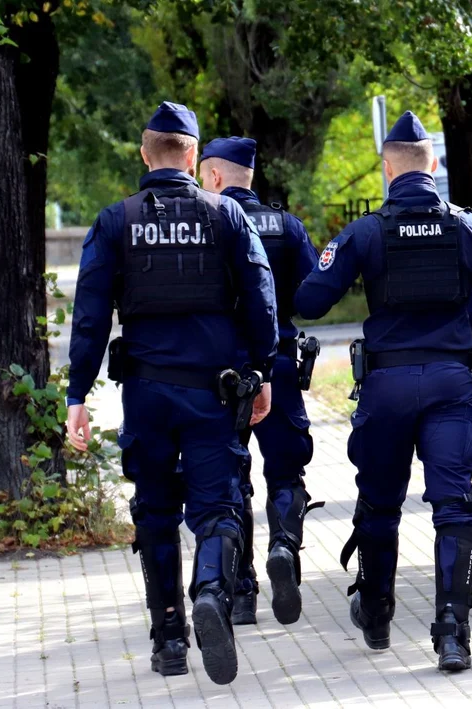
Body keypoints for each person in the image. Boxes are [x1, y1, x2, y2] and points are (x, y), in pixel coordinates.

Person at [294, 111, 472, 672]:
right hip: (452, 384)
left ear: (388, 169)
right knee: (454, 506)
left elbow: (309, 301)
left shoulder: (367, 232)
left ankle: (376, 614)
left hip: (385, 387)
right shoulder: (469, 227)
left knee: (380, 502)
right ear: (433, 166)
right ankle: (453, 634)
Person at [65, 102, 279, 685]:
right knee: (219, 507)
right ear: (193, 155)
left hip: (147, 394)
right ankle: (210, 590)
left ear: (144, 154)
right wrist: (262, 370)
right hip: (214, 393)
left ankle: (168, 642)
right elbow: (261, 297)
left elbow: (90, 316)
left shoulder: (116, 221)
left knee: (155, 513)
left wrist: (77, 395)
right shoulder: (226, 214)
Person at [199, 136, 322, 627]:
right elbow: (313, 296)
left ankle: (243, 593)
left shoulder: (203, 222)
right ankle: (284, 549)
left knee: (232, 480)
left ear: (213, 176)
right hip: (279, 367)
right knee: (286, 473)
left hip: (219, 375)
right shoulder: (286, 226)